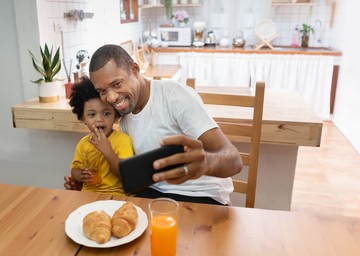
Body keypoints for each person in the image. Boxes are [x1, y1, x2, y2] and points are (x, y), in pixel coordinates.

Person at [69, 44, 242, 205]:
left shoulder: (174, 96)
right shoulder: (125, 116)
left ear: (135, 69)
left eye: (117, 84)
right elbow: (137, 178)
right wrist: (84, 186)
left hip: (201, 196)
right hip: (153, 195)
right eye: (103, 91)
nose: (112, 97)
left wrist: (207, 163)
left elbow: (234, 160)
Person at [66, 77, 134, 195]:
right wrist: (79, 175)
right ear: (83, 118)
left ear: (116, 116)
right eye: (92, 114)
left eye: (106, 113)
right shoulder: (83, 143)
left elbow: (128, 176)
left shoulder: (123, 140)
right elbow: (74, 169)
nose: (99, 119)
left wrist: (108, 151)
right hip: (88, 195)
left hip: (116, 196)